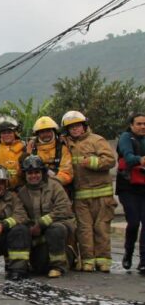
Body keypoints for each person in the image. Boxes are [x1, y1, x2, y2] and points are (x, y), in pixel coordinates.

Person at [62, 110, 116, 273]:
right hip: (81, 196)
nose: (75, 130)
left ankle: (103, 260)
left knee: (101, 228)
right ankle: (87, 261)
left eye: (77, 126)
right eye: (71, 128)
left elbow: (110, 160)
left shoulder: (97, 140)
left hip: (102, 195)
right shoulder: (66, 144)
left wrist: (93, 161)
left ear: (84, 126)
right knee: (84, 230)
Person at [18, 155, 75, 278]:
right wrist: (30, 227)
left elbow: (63, 209)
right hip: (37, 233)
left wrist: (41, 223)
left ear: (43, 173)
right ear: (25, 175)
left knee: (55, 229)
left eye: (37, 172)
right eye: (30, 173)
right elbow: (20, 213)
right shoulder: (22, 192)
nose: (33, 176)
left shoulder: (54, 186)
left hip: (59, 225)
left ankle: (58, 266)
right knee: (40, 267)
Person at [116, 112, 145, 272]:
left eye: (144, 124)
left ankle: (143, 260)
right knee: (133, 222)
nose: (142, 127)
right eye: (139, 124)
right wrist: (140, 160)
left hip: (144, 186)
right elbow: (128, 157)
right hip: (128, 187)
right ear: (132, 125)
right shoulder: (126, 138)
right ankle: (128, 252)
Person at [26, 116, 74, 197]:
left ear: (54, 131)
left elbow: (67, 173)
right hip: (37, 193)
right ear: (37, 134)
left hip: (59, 191)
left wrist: (51, 182)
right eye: (42, 132)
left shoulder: (62, 148)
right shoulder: (31, 148)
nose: (45, 134)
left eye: (48, 131)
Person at [0, 116, 26, 190]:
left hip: (21, 189)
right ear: (0, 135)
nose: (6, 135)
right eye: (4, 133)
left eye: (9, 132)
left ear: (15, 133)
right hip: (1, 190)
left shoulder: (24, 148)